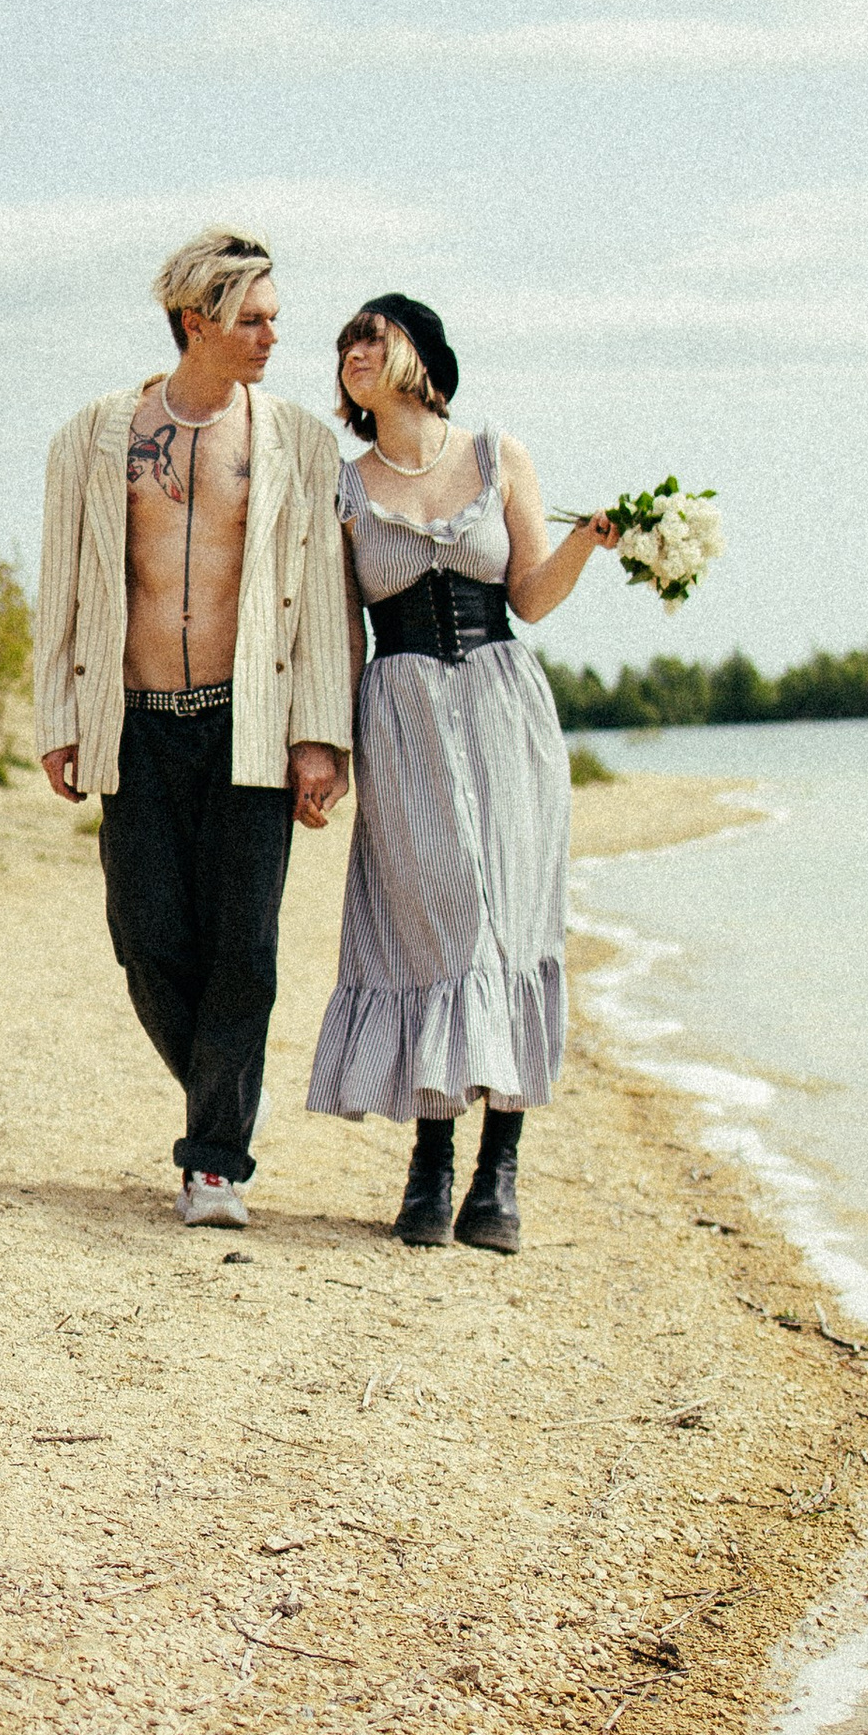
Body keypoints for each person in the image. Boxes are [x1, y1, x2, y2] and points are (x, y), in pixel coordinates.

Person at [35, 230, 353, 1228]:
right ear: (196, 322)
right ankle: (220, 1092)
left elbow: (325, 604)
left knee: (244, 955)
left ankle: (214, 1159)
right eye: (252, 319)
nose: (271, 336)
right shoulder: (95, 435)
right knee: (146, 940)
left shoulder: (298, 441)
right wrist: (58, 719)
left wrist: (322, 738)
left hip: (248, 724)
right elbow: (62, 588)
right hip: (132, 722)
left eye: (272, 319)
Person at [304, 295, 618, 1253]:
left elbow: (529, 595)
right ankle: (432, 1160)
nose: (355, 352)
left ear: (422, 356)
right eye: (345, 344)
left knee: (511, 924)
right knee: (436, 926)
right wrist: (329, 750)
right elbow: (336, 631)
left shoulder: (495, 454)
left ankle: (500, 1173)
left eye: (373, 335)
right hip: (401, 719)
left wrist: (587, 543)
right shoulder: (343, 484)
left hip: (505, 711)